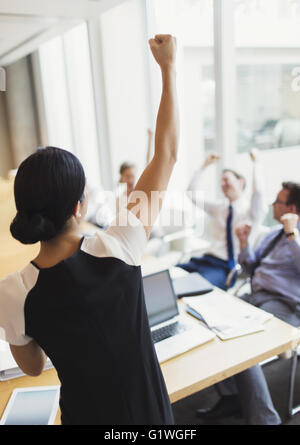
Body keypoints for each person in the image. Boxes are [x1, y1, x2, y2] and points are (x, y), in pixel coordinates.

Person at [0, 34, 179, 425]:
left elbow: (31, 366)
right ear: (80, 205)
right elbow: (165, 153)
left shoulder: (14, 290)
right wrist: (167, 68)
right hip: (151, 416)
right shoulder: (121, 242)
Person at [196, 182, 300, 425]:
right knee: (208, 323)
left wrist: (292, 234)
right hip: (255, 297)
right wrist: (244, 243)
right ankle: (232, 396)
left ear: (292, 209)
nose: (273, 205)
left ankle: (264, 420)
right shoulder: (273, 234)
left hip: (284, 305)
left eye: (278, 201)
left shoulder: (293, 236)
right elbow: (251, 266)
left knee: (241, 343)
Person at [177, 149, 267, 290]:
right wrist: (204, 166)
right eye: (221, 181)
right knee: (170, 277)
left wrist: (257, 163)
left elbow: (259, 193)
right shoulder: (219, 207)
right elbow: (191, 194)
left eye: (226, 180)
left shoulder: (252, 212)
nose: (223, 184)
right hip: (205, 260)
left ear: (240, 182)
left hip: (225, 267)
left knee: (192, 288)